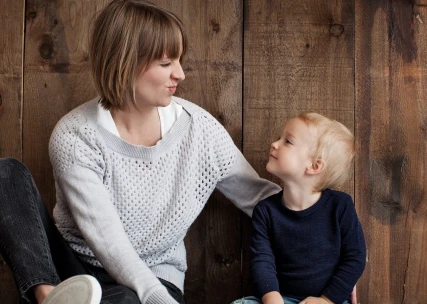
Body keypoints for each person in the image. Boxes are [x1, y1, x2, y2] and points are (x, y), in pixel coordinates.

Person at [0, 0, 281, 303]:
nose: (180, 74)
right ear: (125, 62)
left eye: (179, 61)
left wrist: (334, 222)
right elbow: (106, 239)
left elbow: (260, 199)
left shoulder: (199, 129)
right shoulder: (75, 136)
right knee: (5, 174)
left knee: (124, 299)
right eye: (166, 63)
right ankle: (48, 297)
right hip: (73, 271)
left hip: (152, 276)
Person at [232, 113, 366, 304]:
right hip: (282, 299)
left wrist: (327, 299)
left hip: (327, 300)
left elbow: (355, 257)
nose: (274, 143)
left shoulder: (340, 206)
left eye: (287, 141)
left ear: (314, 165)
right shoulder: (265, 211)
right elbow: (262, 261)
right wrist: (272, 299)